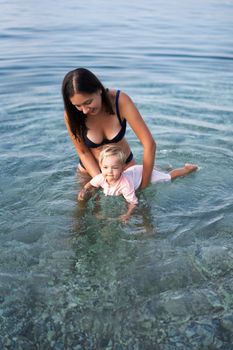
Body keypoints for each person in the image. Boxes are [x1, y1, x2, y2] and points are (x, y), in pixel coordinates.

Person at [62, 68, 155, 189]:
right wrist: (101, 181)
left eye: (88, 102)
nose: (84, 110)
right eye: (78, 105)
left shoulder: (120, 101)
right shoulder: (71, 115)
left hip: (124, 168)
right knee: (83, 206)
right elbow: (83, 152)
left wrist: (145, 183)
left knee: (139, 205)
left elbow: (149, 144)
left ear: (99, 89)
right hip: (90, 172)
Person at [78, 145, 198, 222]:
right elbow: (91, 184)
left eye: (114, 168)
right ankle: (162, 168)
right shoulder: (100, 178)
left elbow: (133, 202)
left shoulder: (125, 184)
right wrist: (84, 190)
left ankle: (188, 169)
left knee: (167, 177)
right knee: (158, 172)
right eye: (105, 167)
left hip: (140, 173)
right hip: (135, 171)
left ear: (122, 168)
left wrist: (127, 214)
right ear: (101, 167)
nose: (109, 171)